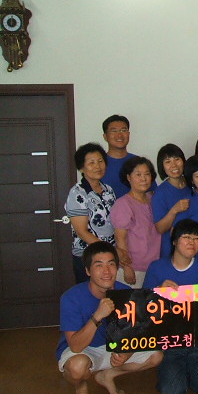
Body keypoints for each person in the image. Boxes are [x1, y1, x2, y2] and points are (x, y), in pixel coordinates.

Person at [56, 241, 162, 394]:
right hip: (84, 350)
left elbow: (137, 333)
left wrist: (128, 352)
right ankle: (80, 388)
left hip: (112, 348)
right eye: (99, 265)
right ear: (88, 271)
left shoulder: (126, 292)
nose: (106, 271)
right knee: (77, 368)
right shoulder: (71, 297)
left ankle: (107, 375)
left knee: (156, 356)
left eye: (111, 264)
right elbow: (75, 346)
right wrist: (97, 316)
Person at [143, 219, 198, 394]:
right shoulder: (157, 268)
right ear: (174, 241)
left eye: (196, 238)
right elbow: (143, 308)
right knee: (171, 393)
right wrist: (158, 292)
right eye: (186, 237)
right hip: (171, 342)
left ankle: (194, 366)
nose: (192, 242)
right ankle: (179, 369)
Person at [65, 143, 117, 283]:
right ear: (82, 167)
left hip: (109, 256)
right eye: (91, 163)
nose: (97, 166)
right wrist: (107, 250)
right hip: (87, 256)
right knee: (90, 293)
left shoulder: (108, 190)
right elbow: (82, 232)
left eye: (100, 161)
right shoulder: (77, 193)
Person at [111, 156, 161, 288]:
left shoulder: (153, 198)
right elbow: (120, 238)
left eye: (147, 174)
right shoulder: (123, 204)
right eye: (138, 174)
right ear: (129, 177)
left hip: (154, 267)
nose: (143, 178)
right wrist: (127, 267)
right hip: (135, 269)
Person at [101, 115, 156, 198]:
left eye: (123, 130)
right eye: (114, 131)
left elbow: (152, 192)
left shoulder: (139, 163)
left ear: (129, 134)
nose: (119, 135)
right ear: (105, 136)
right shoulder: (99, 164)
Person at [152, 144, 191, 258]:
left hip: (195, 245)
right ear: (162, 166)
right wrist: (174, 210)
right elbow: (160, 228)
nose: (174, 165)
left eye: (177, 159)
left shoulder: (192, 183)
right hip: (173, 250)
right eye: (168, 162)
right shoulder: (160, 193)